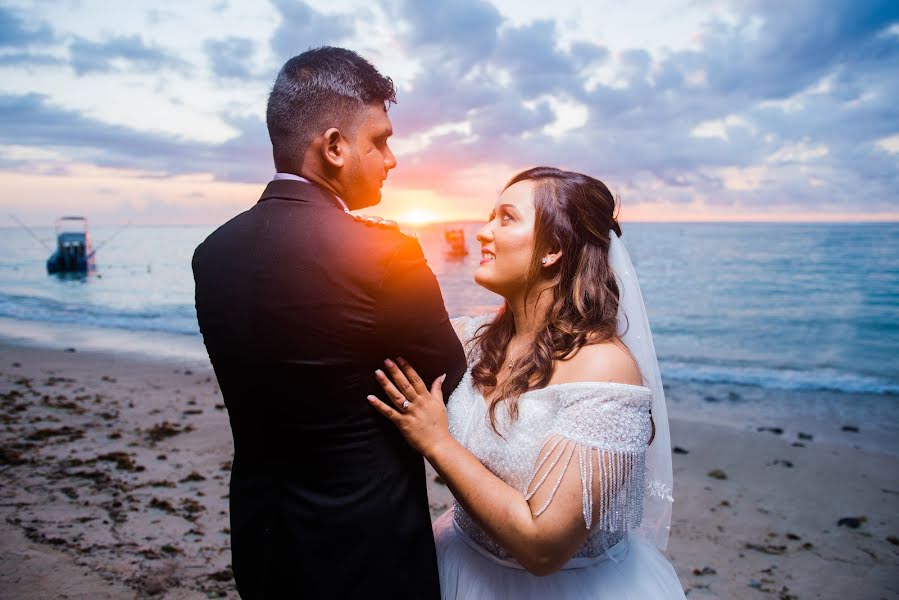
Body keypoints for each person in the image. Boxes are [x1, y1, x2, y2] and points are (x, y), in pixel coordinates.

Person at [192, 47, 467, 599]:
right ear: (335, 146)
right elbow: (447, 375)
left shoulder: (212, 253)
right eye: (380, 140)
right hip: (369, 548)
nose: (392, 159)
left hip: (261, 540)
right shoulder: (386, 256)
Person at [369, 167, 686, 598]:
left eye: (505, 218)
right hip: (460, 568)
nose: (482, 232)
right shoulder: (473, 340)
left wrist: (437, 441)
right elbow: (378, 330)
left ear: (553, 248)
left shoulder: (604, 369)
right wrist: (375, 248)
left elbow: (544, 548)